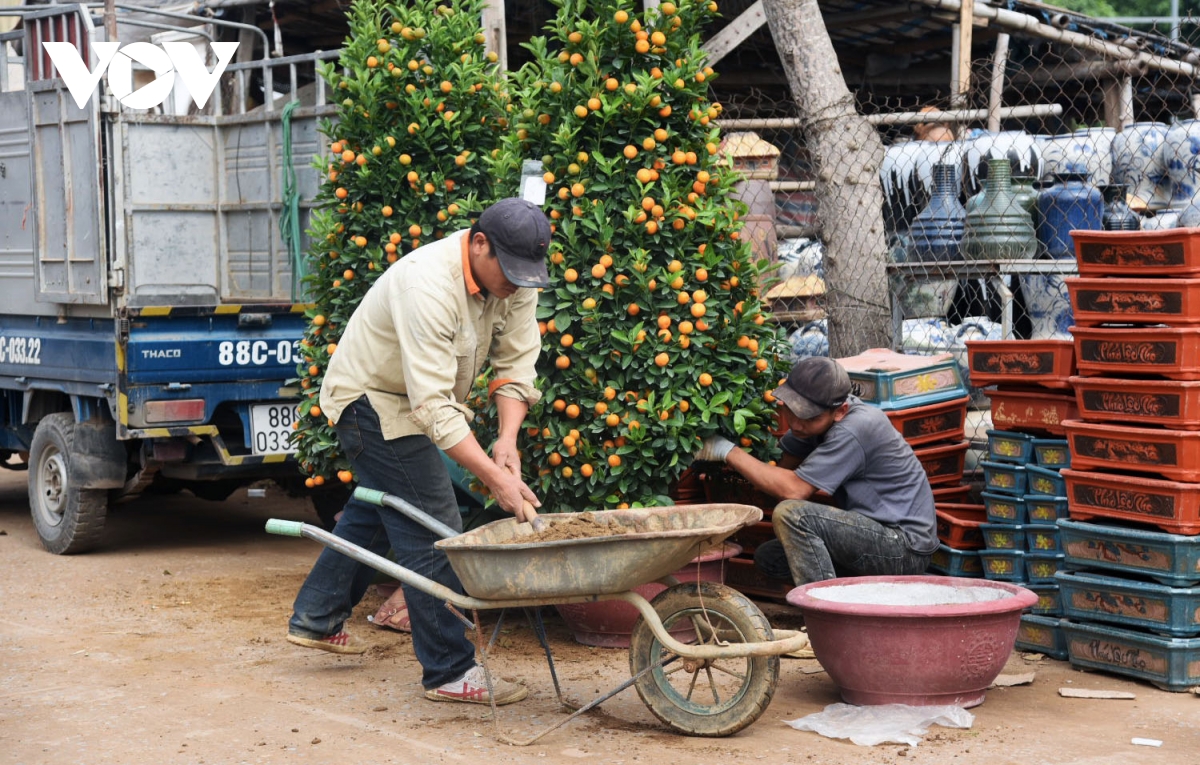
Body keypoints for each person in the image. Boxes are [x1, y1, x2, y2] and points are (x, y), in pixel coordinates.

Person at [286, 197, 552, 706]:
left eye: (526, 276)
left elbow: (517, 365)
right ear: (479, 244)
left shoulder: (516, 279)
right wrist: (497, 482)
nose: (517, 285)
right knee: (433, 521)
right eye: (511, 273)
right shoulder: (427, 285)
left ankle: (316, 615)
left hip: (417, 400)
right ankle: (450, 671)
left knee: (383, 504)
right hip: (371, 400)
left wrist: (507, 440)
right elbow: (432, 407)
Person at [694, 356, 937, 586]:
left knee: (793, 514)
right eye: (791, 410)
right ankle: (853, 603)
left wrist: (727, 451)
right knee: (772, 557)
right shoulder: (811, 426)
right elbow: (779, 473)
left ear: (840, 411)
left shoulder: (856, 427)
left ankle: (824, 611)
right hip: (871, 537)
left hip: (904, 548)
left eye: (809, 417)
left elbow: (793, 490)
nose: (797, 423)